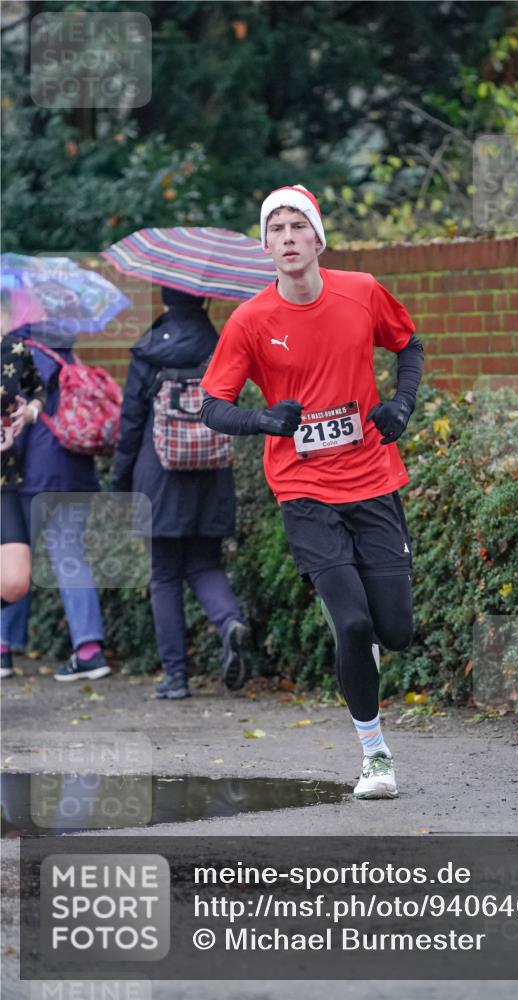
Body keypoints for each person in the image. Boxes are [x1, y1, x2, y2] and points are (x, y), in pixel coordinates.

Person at [200, 184, 424, 799]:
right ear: (266, 245)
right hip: (303, 490)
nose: (289, 238)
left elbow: (409, 346)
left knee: (396, 631)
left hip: (373, 480)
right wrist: (263, 421)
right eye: (277, 229)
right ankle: (376, 757)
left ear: (318, 239)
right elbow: (212, 407)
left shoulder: (362, 292)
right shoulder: (250, 320)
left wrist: (401, 404)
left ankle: (367, 640)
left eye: (300, 226)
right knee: (352, 625)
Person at [112, 286, 248, 700]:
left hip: (159, 473)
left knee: (165, 575)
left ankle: (175, 677)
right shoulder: (220, 345)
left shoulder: (149, 348)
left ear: (166, 300)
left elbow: (132, 420)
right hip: (210, 470)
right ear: (202, 299)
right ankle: (229, 624)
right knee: (205, 563)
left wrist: (120, 481)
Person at [0, 313, 112, 683]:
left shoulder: (21, 353)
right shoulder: (69, 355)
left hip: (32, 475)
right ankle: (89, 650)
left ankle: (3, 648)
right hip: (77, 470)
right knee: (69, 557)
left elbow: (14, 419)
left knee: (14, 559)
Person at [0, 293, 46, 679]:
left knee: (15, 581)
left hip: (4, 478)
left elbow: (38, 390)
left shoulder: (15, 348)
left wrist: (27, 412)